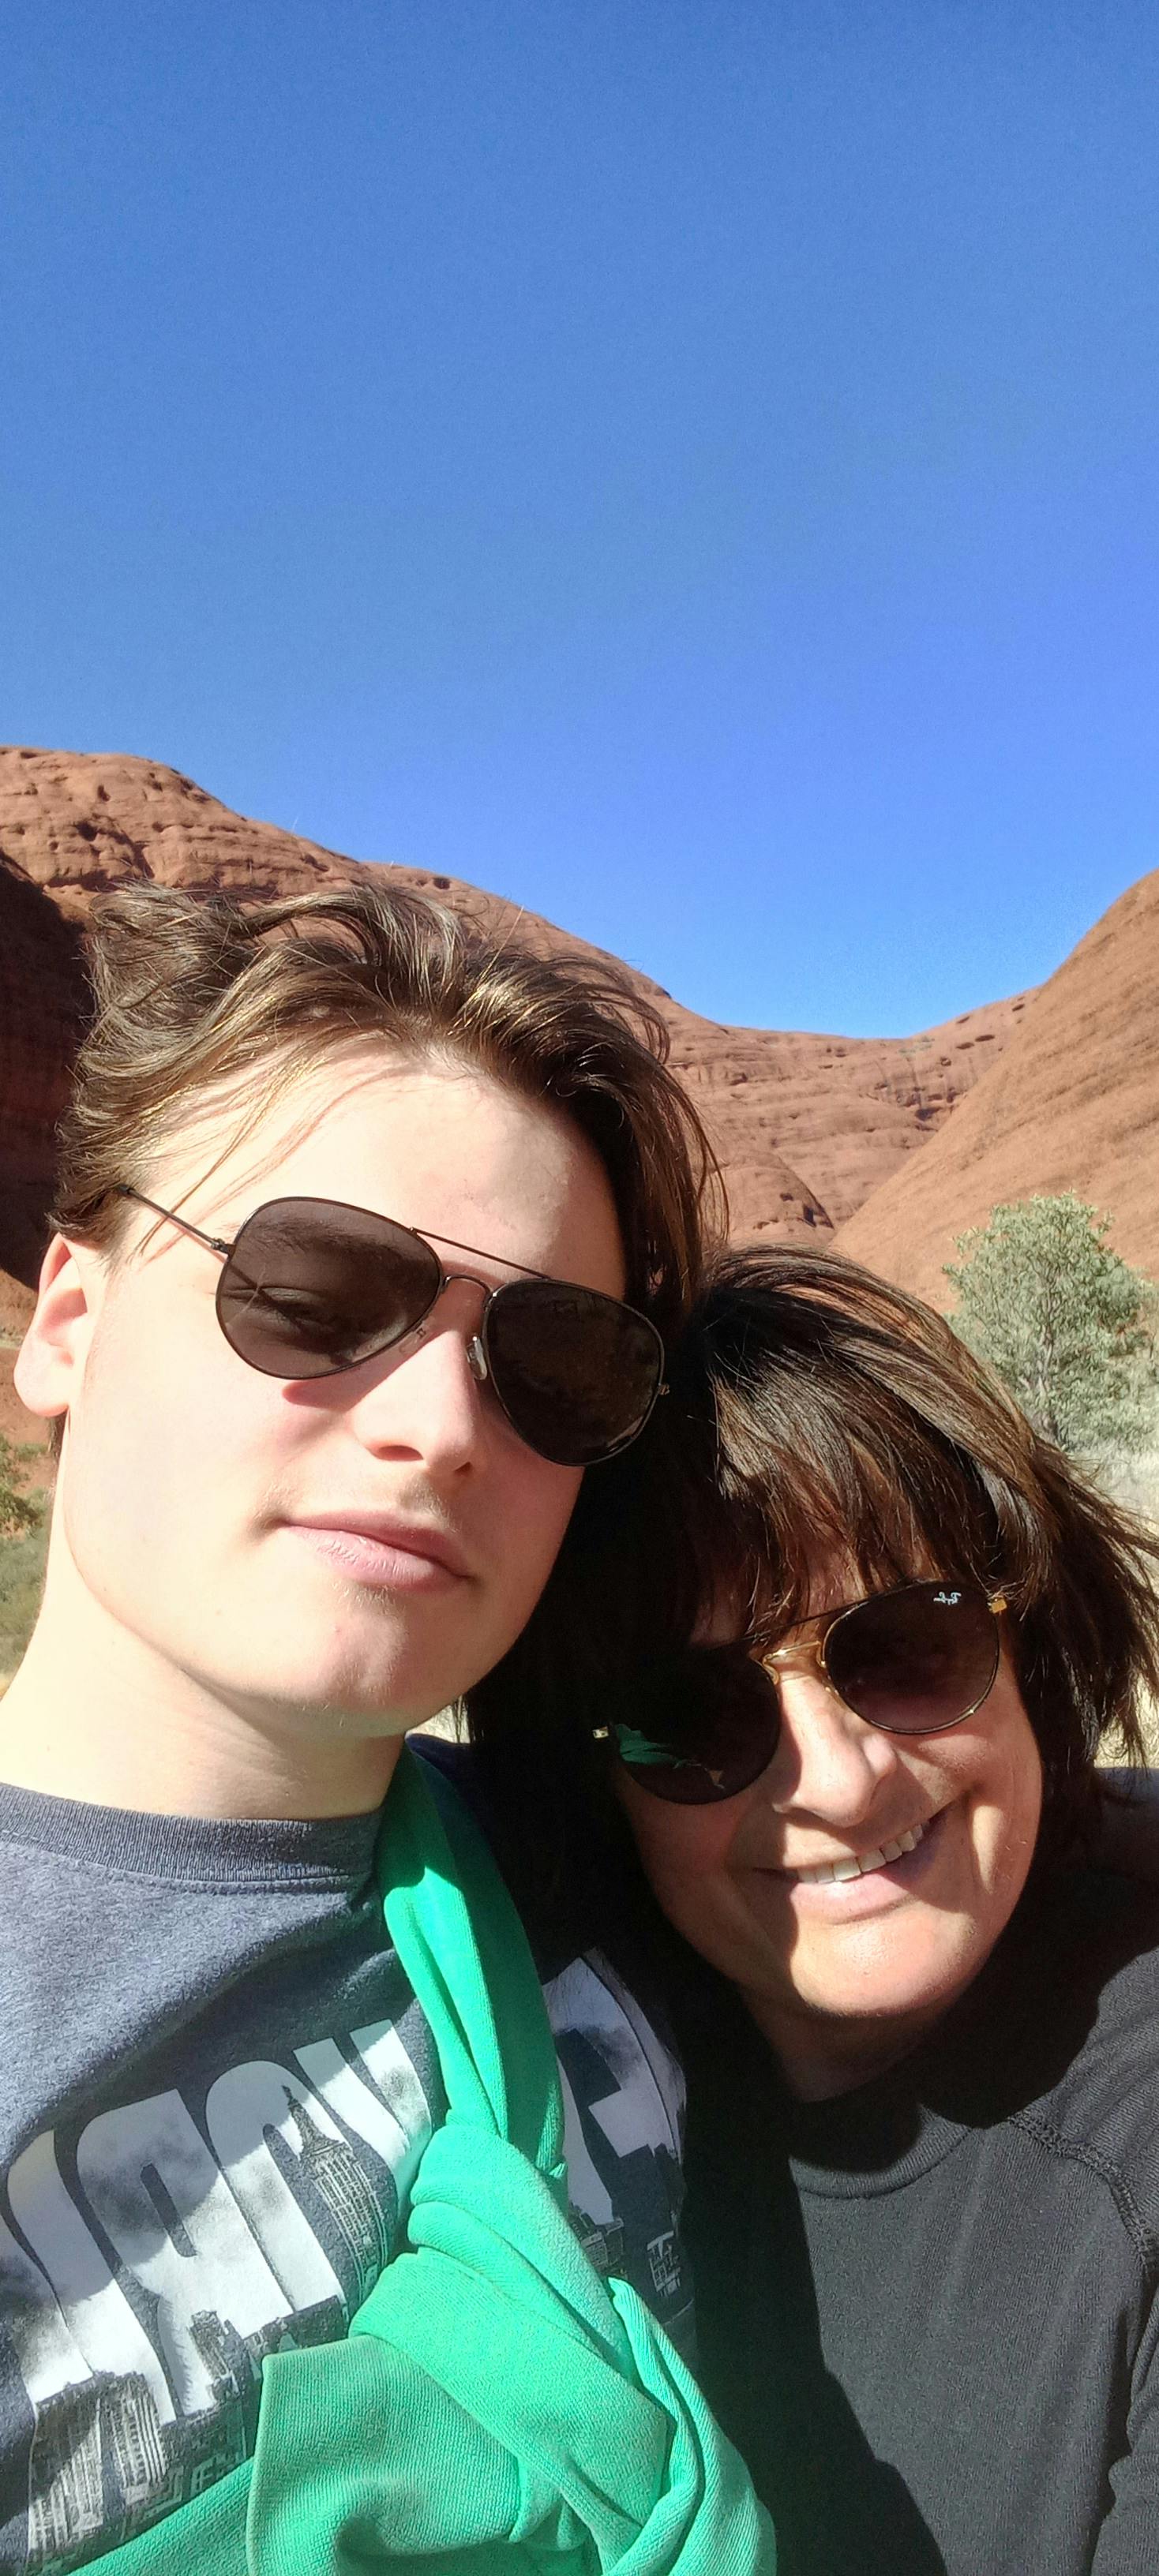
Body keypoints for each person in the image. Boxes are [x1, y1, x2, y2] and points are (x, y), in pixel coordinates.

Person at [0, 882, 772, 2574]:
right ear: (68, 1322)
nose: (441, 1426)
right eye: (317, 1288)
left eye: (557, 1367)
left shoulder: (641, 1859)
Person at [470, 1242, 1159, 2576]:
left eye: (908, 1649)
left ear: (1030, 1645)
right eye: (692, 1716)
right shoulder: (553, 2096)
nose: (840, 1783)